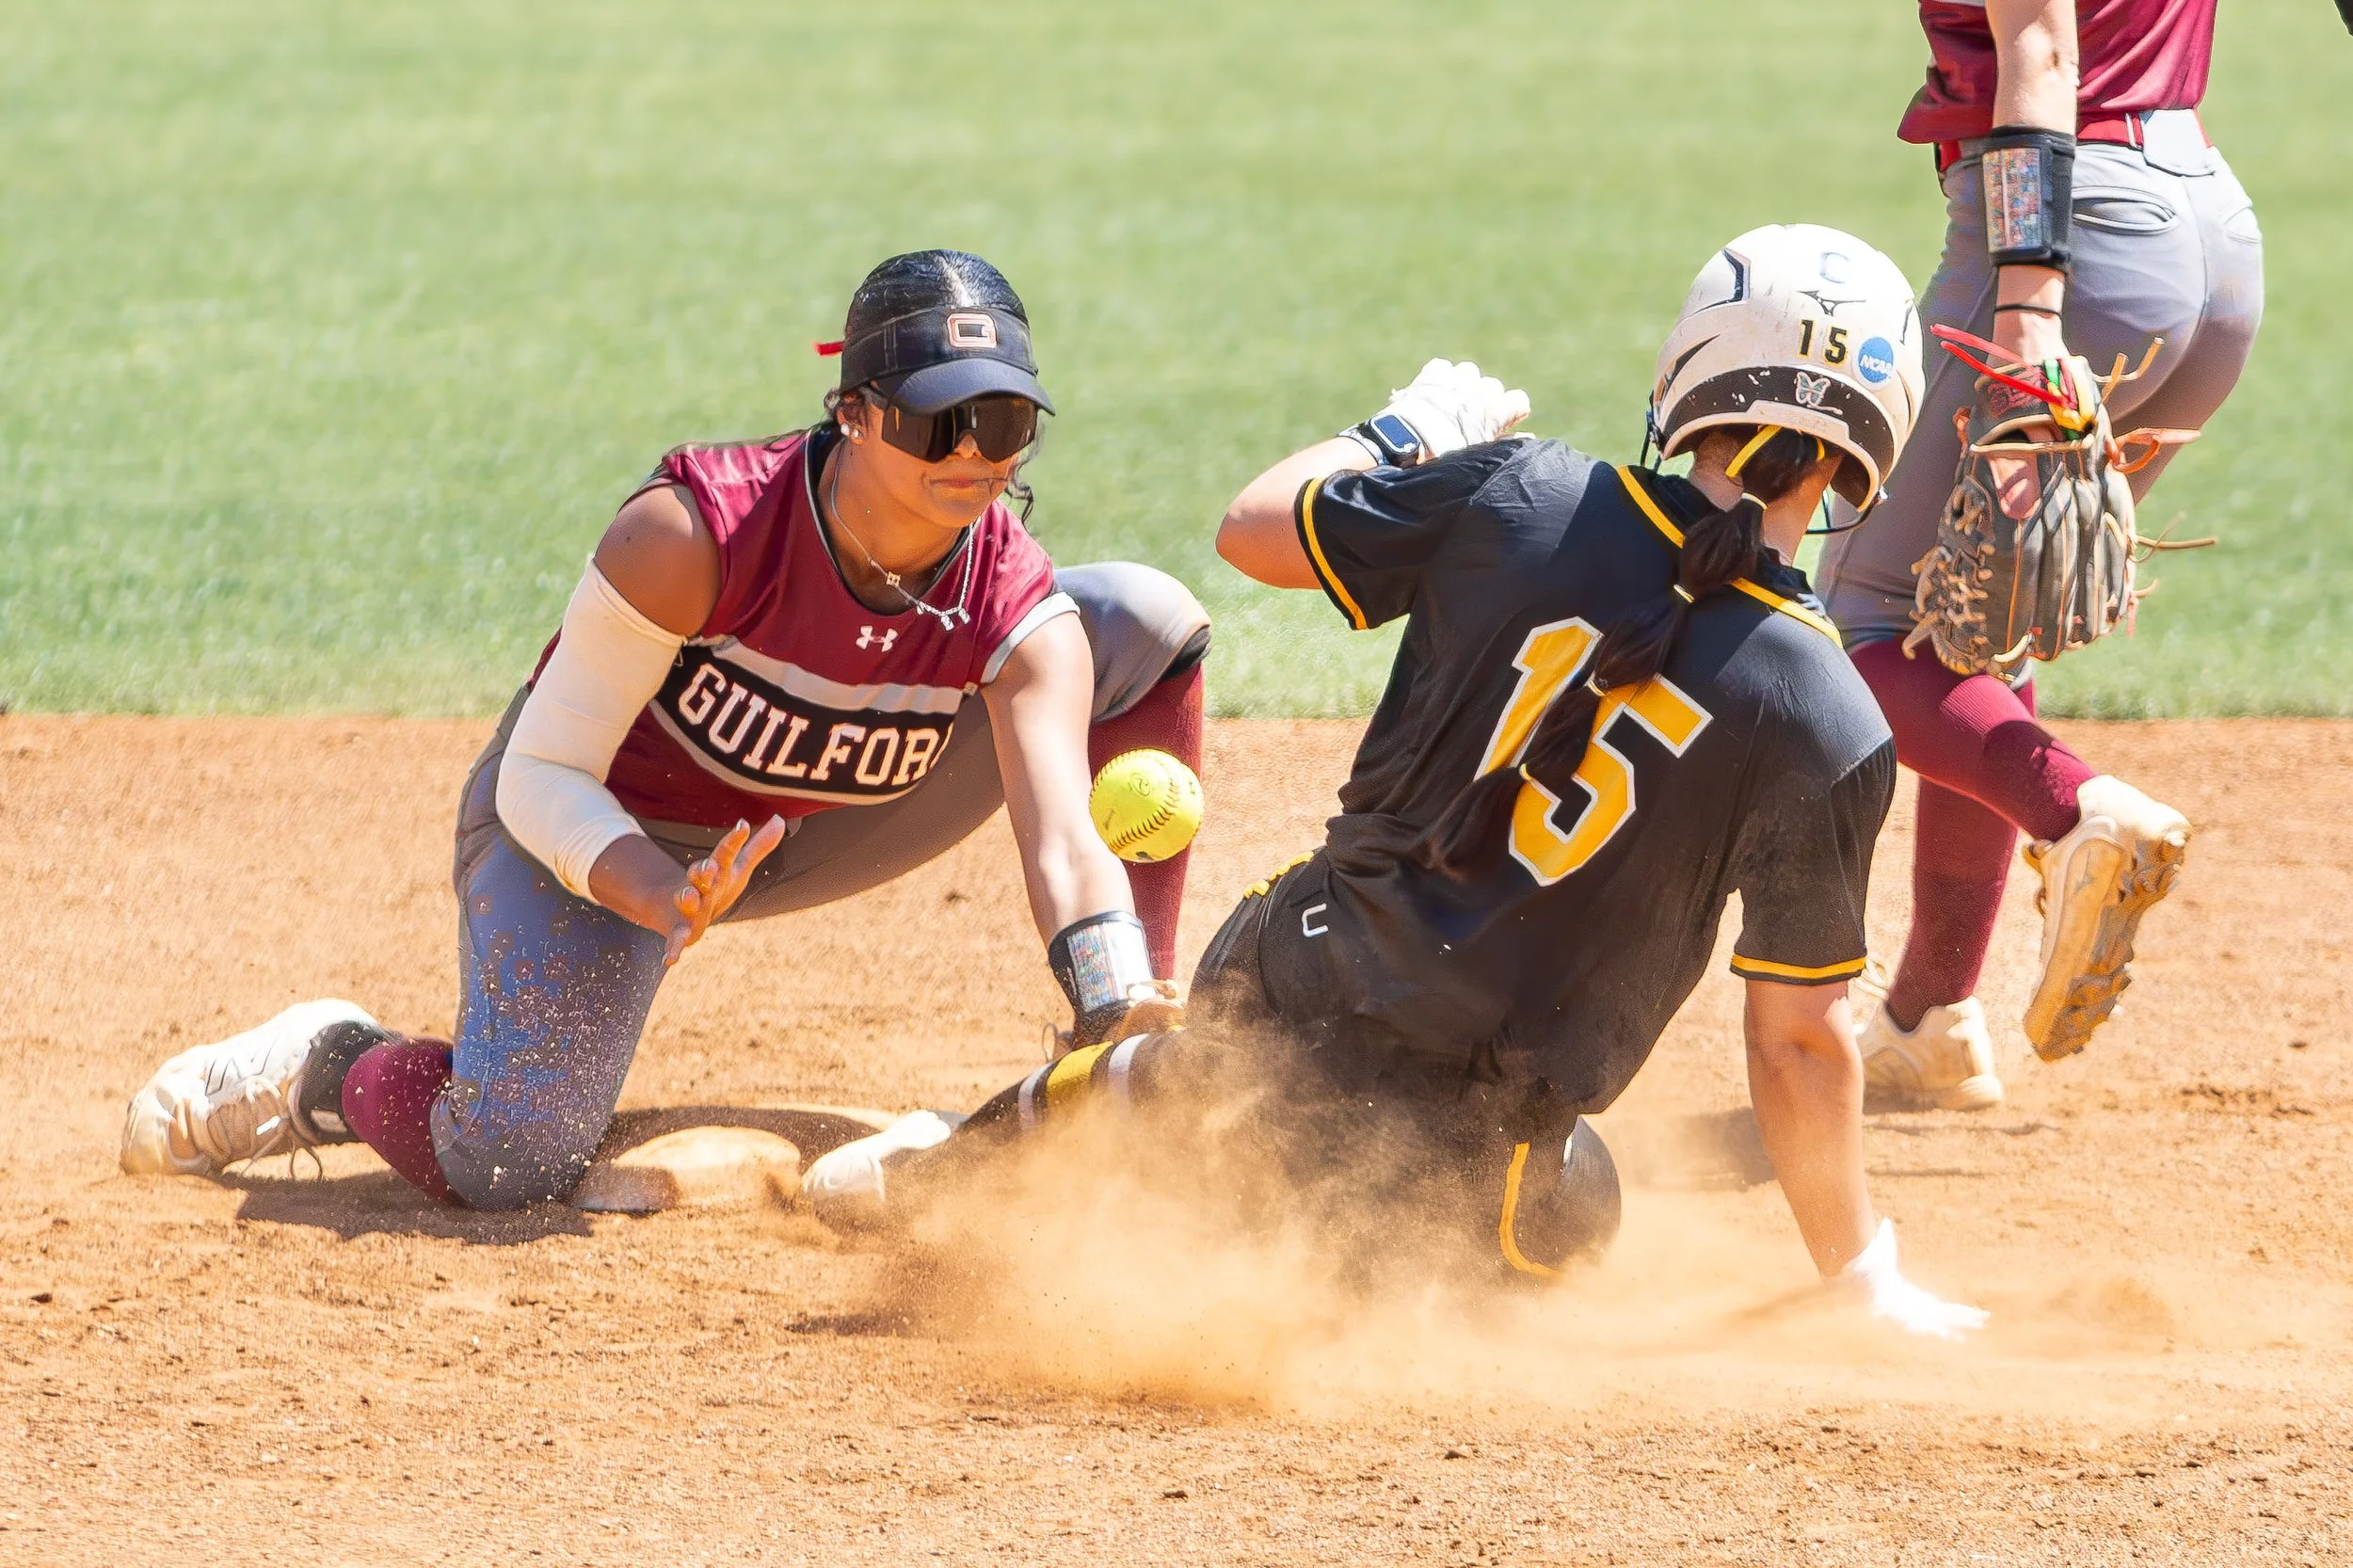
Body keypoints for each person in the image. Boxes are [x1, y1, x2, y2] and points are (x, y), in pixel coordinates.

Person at [803, 227, 1988, 1339]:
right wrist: (1861, 1278)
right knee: (1575, 1206)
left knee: (1259, 1071)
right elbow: (1800, 1044)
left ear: (1690, 377)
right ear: (1866, 448)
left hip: (1282, 985)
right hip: (1480, 1171)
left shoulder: (1524, 491)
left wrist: (1406, 429)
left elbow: (1252, 527)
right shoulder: (1831, 721)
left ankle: (1033, 1141)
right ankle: (1278, 1220)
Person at [120, 250, 1210, 1209]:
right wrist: (651, 886)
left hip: (808, 822)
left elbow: (1067, 840)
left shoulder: (1015, 606)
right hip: (601, 828)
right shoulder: (694, 535)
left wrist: (1112, 1001)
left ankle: (1117, 1073)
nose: (974, 454)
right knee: (505, 1162)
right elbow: (544, 771)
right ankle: (323, 1065)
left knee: (1142, 618)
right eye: (939, 420)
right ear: (856, 412)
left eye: (1006, 421)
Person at [1817, 0, 2263, 1111]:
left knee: (1861, 621)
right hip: (2211, 237)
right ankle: (1929, 1021)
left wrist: (2027, 309)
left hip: (2077, 238)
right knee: (1974, 611)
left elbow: (2041, 48)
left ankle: (2076, 811)